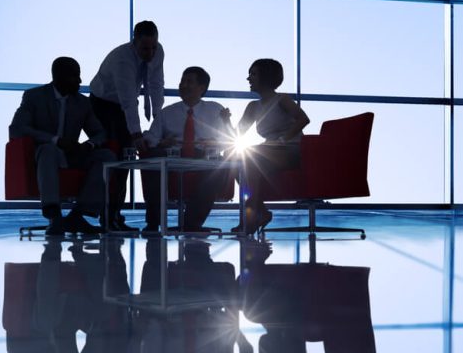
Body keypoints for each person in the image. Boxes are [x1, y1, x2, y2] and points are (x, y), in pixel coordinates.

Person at [9, 57, 114, 236]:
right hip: (45, 156)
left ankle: (78, 215)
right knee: (49, 150)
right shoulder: (34, 97)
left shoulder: (82, 102)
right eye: (74, 76)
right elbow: (17, 129)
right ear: (58, 77)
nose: (80, 81)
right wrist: (55, 140)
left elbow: (99, 133)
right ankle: (54, 215)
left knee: (107, 157)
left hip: (73, 154)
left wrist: (88, 145)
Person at [89, 20, 165, 231]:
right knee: (119, 157)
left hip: (122, 105)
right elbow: (128, 101)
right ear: (134, 43)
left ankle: (113, 214)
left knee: (126, 156)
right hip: (103, 105)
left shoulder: (158, 51)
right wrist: (136, 133)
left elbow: (157, 84)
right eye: (144, 48)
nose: (150, 53)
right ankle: (109, 216)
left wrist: (159, 120)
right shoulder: (123, 59)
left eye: (153, 47)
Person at [140, 66, 232, 234]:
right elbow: (151, 138)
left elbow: (228, 139)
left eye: (189, 81)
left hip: (203, 156)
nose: (183, 85)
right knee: (153, 159)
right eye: (182, 81)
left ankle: (191, 224)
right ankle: (153, 223)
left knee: (218, 167)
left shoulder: (215, 109)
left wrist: (214, 142)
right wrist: (162, 142)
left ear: (202, 88)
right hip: (172, 155)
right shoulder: (167, 113)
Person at [233, 59, 309, 234]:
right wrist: (224, 121)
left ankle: (252, 217)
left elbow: (303, 119)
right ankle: (260, 212)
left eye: (253, 74)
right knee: (236, 160)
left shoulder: (281, 99)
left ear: (265, 77)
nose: (248, 78)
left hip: (291, 149)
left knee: (252, 158)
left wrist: (282, 140)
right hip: (268, 151)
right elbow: (238, 133)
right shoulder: (253, 107)